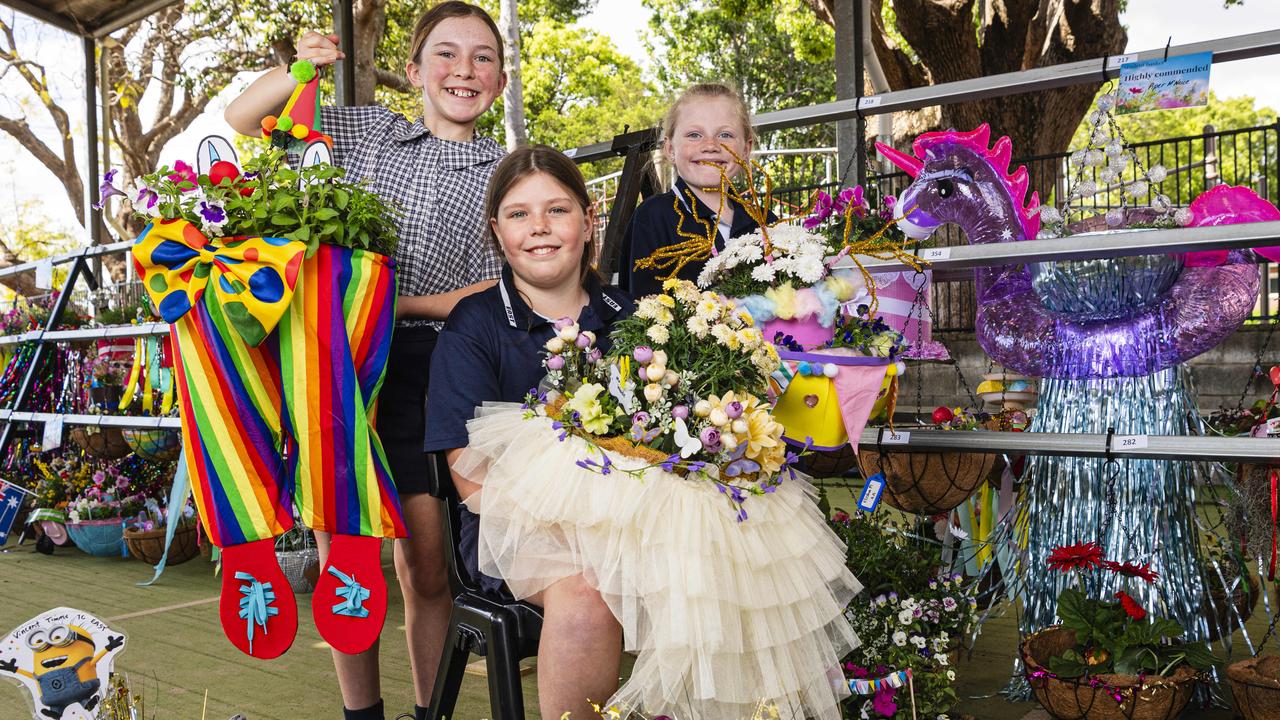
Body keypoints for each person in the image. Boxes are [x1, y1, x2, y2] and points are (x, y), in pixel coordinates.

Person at [224, 4, 507, 719]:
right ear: (412, 72)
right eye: (445, 55)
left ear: (500, 81)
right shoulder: (366, 130)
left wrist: (405, 307)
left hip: (429, 370)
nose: (463, 71)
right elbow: (242, 114)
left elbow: (495, 293)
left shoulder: (507, 174)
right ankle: (362, 714)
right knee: (344, 554)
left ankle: (428, 711)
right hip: (338, 365)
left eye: (482, 58)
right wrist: (299, 68)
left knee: (422, 564)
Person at [424, 144, 634, 719]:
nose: (539, 228)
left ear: (589, 220)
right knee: (588, 589)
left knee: (724, 560)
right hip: (510, 528)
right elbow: (471, 478)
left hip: (639, 516)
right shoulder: (476, 323)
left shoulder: (634, 316)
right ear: (497, 231)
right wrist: (578, 530)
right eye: (519, 214)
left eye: (557, 210)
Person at [623, 82, 772, 296]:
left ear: (746, 149)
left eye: (725, 135)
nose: (710, 145)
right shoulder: (653, 217)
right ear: (670, 149)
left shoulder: (765, 221)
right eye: (694, 135)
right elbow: (644, 315)